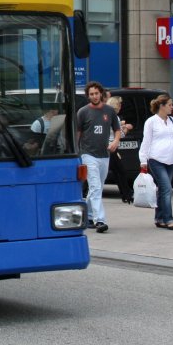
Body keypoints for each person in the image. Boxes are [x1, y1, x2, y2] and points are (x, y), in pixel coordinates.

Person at [75, 81, 122, 233]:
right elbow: (78, 133)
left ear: (101, 93)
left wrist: (115, 141)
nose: (94, 96)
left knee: (97, 188)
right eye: (91, 94)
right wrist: (76, 152)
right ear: (88, 96)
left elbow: (117, 129)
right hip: (88, 154)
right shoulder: (83, 112)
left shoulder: (109, 111)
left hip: (104, 154)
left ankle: (88, 216)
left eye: (96, 93)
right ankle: (100, 220)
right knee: (95, 186)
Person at [140, 93, 173, 230]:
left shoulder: (172, 121)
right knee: (167, 188)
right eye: (170, 105)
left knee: (162, 190)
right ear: (162, 106)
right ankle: (168, 219)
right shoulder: (151, 122)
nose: (172, 107)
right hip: (156, 159)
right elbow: (146, 142)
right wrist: (143, 161)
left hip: (171, 159)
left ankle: (159, 218)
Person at [106, 95, 135, 204]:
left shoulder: (106, 115)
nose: (121, 106)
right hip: (112, 147)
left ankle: (126, 194)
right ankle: (127, 194)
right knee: (120, 172)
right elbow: (120, 134)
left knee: (117, 171)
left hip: (106, 146)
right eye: (120, 104)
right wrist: (126, 127)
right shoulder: (114, 116)